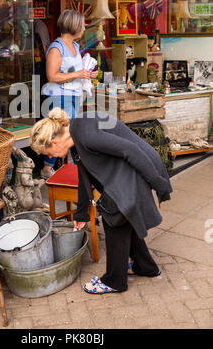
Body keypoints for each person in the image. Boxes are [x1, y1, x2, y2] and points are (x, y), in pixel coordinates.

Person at [30, 108, 173, 294]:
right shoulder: (77, 130)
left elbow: (130, 150)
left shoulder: (86, 134)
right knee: (123, 217)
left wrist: (157, 181)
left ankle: (115, 281)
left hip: (140, 166)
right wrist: (81, 213)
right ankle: (145, 266)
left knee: (115, 218)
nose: (53, 157)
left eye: (49, 152)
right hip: (128, 170)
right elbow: (84, 175)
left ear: (54, 141)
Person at [40, 9, 98, 179]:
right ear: (73, 26)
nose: (84, 29)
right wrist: (79, 74)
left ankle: (50, 168)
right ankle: (76, 168)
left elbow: (74, 71)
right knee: (68, 133)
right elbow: (52, 76)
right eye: (82, 25)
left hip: (74, 95)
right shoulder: (56, 49)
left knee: (64, 133)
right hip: (59, 97)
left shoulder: (75, 46)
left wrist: (87, 73)